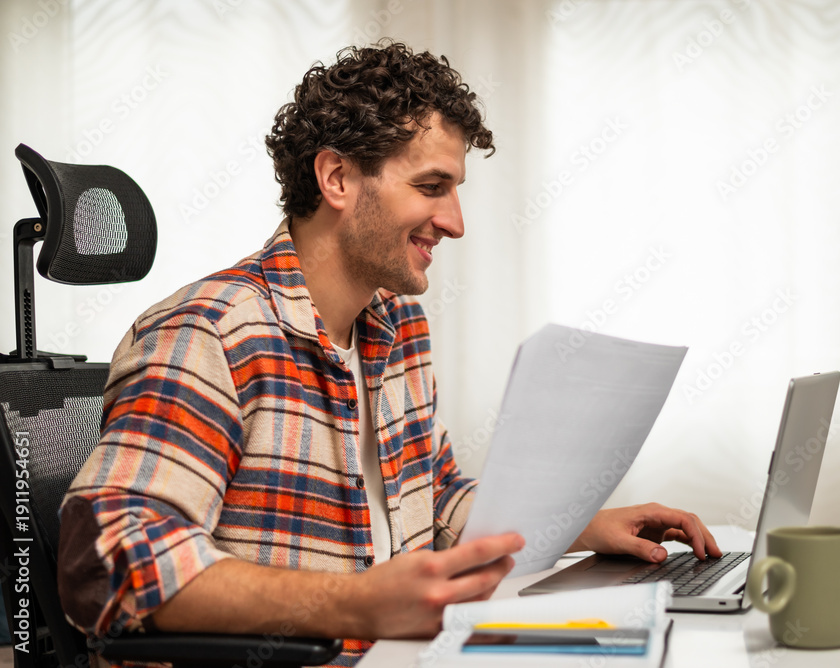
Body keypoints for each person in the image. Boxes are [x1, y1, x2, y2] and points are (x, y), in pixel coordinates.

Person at [57, 41, 720, 666]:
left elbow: (437, 500)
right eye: (432, 187)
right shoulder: (208, 334)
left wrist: (581, 526)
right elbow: (108, 566)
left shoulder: (397, 325)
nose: (455, 221)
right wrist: (358, 605)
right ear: (338, 178)